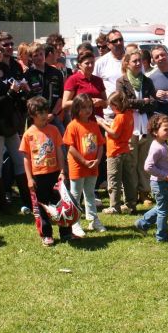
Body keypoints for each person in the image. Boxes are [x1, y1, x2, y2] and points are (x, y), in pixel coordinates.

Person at [0, 38, 31, 214]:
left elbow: (14, 95)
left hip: (10, 122)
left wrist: (22, 90)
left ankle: (28, 200)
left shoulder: (7, 68)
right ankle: (2, 205)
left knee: (19, 159)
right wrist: (11, 93)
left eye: (1, 50)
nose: (0, 53)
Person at [20, 97, 71, 246]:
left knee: (61, 204)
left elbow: (60, 152)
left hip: (55, 173)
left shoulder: (54, 130)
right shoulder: (28, 134)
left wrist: (63, 171)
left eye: (45, 111)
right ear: (32, 115)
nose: (43, 115)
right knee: (42, 207)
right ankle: (46, 234)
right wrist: (29, 179)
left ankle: (65, 232)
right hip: (38, 176)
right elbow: (26, 158)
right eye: (39, 112)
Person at [116, 48, 157, 206]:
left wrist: (141, 105)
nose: (138, 64)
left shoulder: (147, 81)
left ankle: (144, 193)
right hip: (129, 127)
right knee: (131, 163)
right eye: (135, 61)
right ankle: (131, 196)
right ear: (127, 63)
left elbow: (153, 103)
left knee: (144, 161)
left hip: (145, 125)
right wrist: (143, 103)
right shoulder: (122, 81)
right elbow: (123, 102)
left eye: (140, 61)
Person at [63, 94, 106, 237]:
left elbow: (100, 144)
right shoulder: (72, 126)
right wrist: (83, 161)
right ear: (76, 109)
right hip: (78, 167)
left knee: (90, 193)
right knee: (76, 194)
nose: (88, 110)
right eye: (83, 107)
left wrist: (98, 160)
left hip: (93, 166)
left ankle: (93, 219)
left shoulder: (94, 125)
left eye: (89, 107)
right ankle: (75, 223)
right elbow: (70, 147)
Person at [135, 114, 168, 242]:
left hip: (162, 182)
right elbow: (148, 166)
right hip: (159, 183)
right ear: (154, 132)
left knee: (161, 208)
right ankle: (161, 236)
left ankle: (142, 223)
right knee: (163, 211)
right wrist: (164, 175)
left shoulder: (162, 144)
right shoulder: (157, 147)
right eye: (165, 129)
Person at [98, 91, 138, 215]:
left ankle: (114, 206)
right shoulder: (129, 114)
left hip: (115, 152)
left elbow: (115, 133)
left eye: (112, 105)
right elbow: (119, 128)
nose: (111, 108)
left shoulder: (120, 116)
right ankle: (131, 204)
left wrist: (101, 124)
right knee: (128, 179)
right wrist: (109, 124)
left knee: (114, 179)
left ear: (119, 104)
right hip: (125, 149)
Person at [23, 43, 64, 133]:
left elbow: (61, 97)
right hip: (35, 118)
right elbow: (27, 99)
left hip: (53, 116)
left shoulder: (56, 73)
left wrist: (53, 114)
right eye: (35, 55)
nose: (39, 57)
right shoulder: (27, 75)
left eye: (41, 54)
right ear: (31, 58)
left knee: (62, 144)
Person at [62, 51, 108, 117]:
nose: (90, 65)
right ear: (79, 65)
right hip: (81, 121)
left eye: (92, 62)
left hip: (98, 122)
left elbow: (106, 104)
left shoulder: (98, 80)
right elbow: (64, 104)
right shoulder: (73, 79)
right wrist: (85, 102)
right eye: (87, 63)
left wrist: (101, 102)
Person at [94, 29, 126, 116]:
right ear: (108, 45)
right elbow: (94, 85)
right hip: (110, 114)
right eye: (115, 41)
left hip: (130, 112)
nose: (119, 43)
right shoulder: (100, 63)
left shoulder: (133, 60)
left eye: (121, 39)